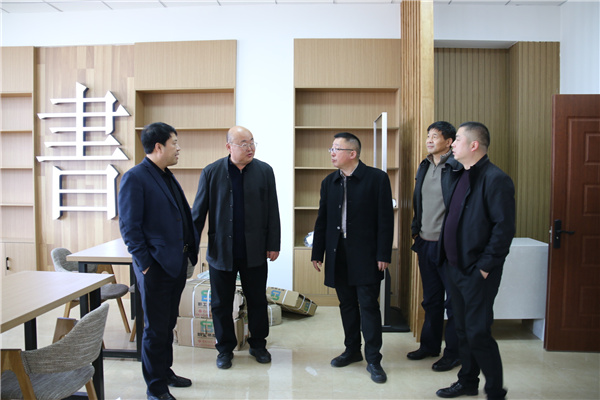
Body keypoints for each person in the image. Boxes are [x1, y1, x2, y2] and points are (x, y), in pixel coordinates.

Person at [118, 122, 199, 400]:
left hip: (174, 264)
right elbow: (130, 228)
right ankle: (155, 389)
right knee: (154, 329)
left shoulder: (165, 175)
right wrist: (146, 264)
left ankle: (165, 372)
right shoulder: (135, 178)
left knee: (167, 324)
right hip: (155, 267)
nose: (178, 148)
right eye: (174, 143)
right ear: (158, 146)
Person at [436, 122, 515, 400]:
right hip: (454, 267)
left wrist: (483, 268)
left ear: (474, 145)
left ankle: (495, 390)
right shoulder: (460, 175)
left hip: (476, 271)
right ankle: (467, 382)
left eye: (457, 139)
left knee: (478, 332)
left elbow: (503, 229)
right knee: (461, 330)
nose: (452, 144)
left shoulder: (496, 179)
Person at [192, 125, 281, 370]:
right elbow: (198, 213)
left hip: (255, 249)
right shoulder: (211, 172)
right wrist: (189, 247)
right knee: (220, 303)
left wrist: (274, 243)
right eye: (243, 143)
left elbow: (272, 209)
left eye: (252, 142)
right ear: (229, 146)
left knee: (257, 300)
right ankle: (224, 349)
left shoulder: (264, 171)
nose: (250, 147)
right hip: (221, 250)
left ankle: (258, 344)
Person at [311, 132, 394, 384]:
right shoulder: (329, 182)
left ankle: (374, 359)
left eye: (336, 149)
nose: (332, 153)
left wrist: (383, 253)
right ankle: (352, 350)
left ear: (352, 153)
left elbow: (385, 219)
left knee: (368, 305)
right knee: (346, 304)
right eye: (331, 148)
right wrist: (317, 252)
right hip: (338, 253)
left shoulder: (377, 179)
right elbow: (322, 219)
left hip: (367, 254)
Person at [407, 121, 460, 372]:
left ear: (449, 142)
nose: (429, 140)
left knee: (454, 303)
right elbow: (418, 201)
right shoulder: (425, 164)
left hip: (448, 246)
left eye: (435, 136)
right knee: (431, 300)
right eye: (428, 135)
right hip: (425, 242)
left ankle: (454, 353)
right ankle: (429, 346)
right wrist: (415, 231)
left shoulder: (457, 167)